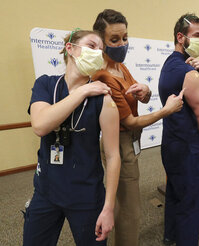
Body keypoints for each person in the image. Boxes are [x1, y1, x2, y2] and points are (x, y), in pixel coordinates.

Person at [92, 9, 185, 246]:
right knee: (129, 209)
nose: (122, 44)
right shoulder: (104, 75)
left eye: (124, 38)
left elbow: (139, 96)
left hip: (130, 141)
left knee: (126, 201)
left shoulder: (120, 68)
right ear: (101, 42)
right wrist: (166, 110)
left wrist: (145, 90)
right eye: (114, 40)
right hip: (120, 143)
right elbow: (130, 122)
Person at [23, 30, 121, 246]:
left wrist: (108, 208)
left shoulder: (103, 98)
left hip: (86, 194)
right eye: (92, 46)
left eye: (100, 50)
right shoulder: (46, 85)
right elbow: (40, 125)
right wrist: (83, 91)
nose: (97, 53)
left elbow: (113, 156)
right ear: (70, 48)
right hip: (46, 190)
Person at [158, 13, 199, 246]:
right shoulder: (186, 73)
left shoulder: (172, 64)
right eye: (197, 35)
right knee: (190, 202)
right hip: (188, 147)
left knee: (174, 193)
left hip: (170, 142)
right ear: (181, 37)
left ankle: (170, 235)